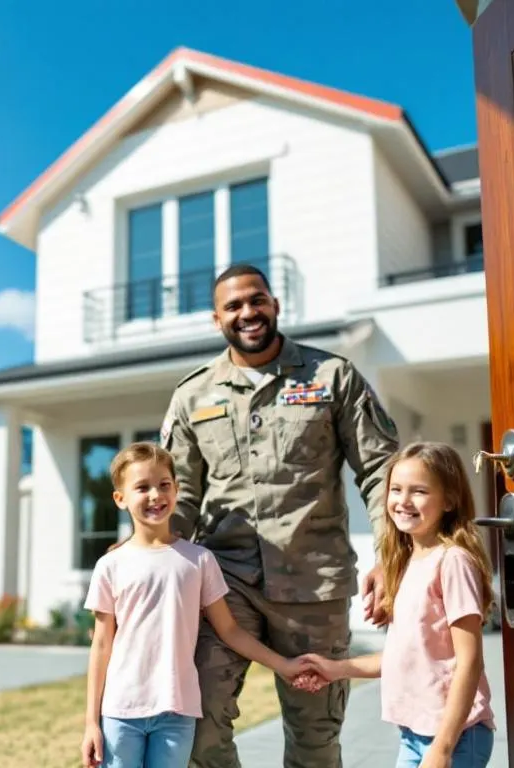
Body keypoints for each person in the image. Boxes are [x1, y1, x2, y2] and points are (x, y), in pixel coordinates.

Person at [158, 263, 400, 766]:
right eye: (234, 305)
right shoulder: (192, 395)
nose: (248, 312)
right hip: (225, 589)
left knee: (315, 743)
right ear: (216, 318)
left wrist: (393, 557)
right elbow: (177, 499)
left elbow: (382, 471)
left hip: (315, 587)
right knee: (198, 725)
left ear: (274, 304)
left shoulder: (332, 377)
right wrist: (147, 563)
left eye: (256, 300)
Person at [81, 442, 318, 768]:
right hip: (121, 712)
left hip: (177, 711)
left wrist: (283, 665)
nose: (155, 495)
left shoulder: (199, 560)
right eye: (142, 487)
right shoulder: (111, 565)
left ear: (177, 490)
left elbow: (231, 630)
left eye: (164, 485)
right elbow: (101, 645)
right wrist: (91, 723)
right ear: (120, 499)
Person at [299, 442, 496, 768]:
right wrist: (337, 669)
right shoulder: (405, 564)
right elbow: (406, 656)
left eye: (419, 491)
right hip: (414, 735)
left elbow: (470, 661)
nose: (403, 501)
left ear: (449, 500)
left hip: (458, 737)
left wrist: (443, 748)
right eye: (396, 489)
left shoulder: (453, 562)